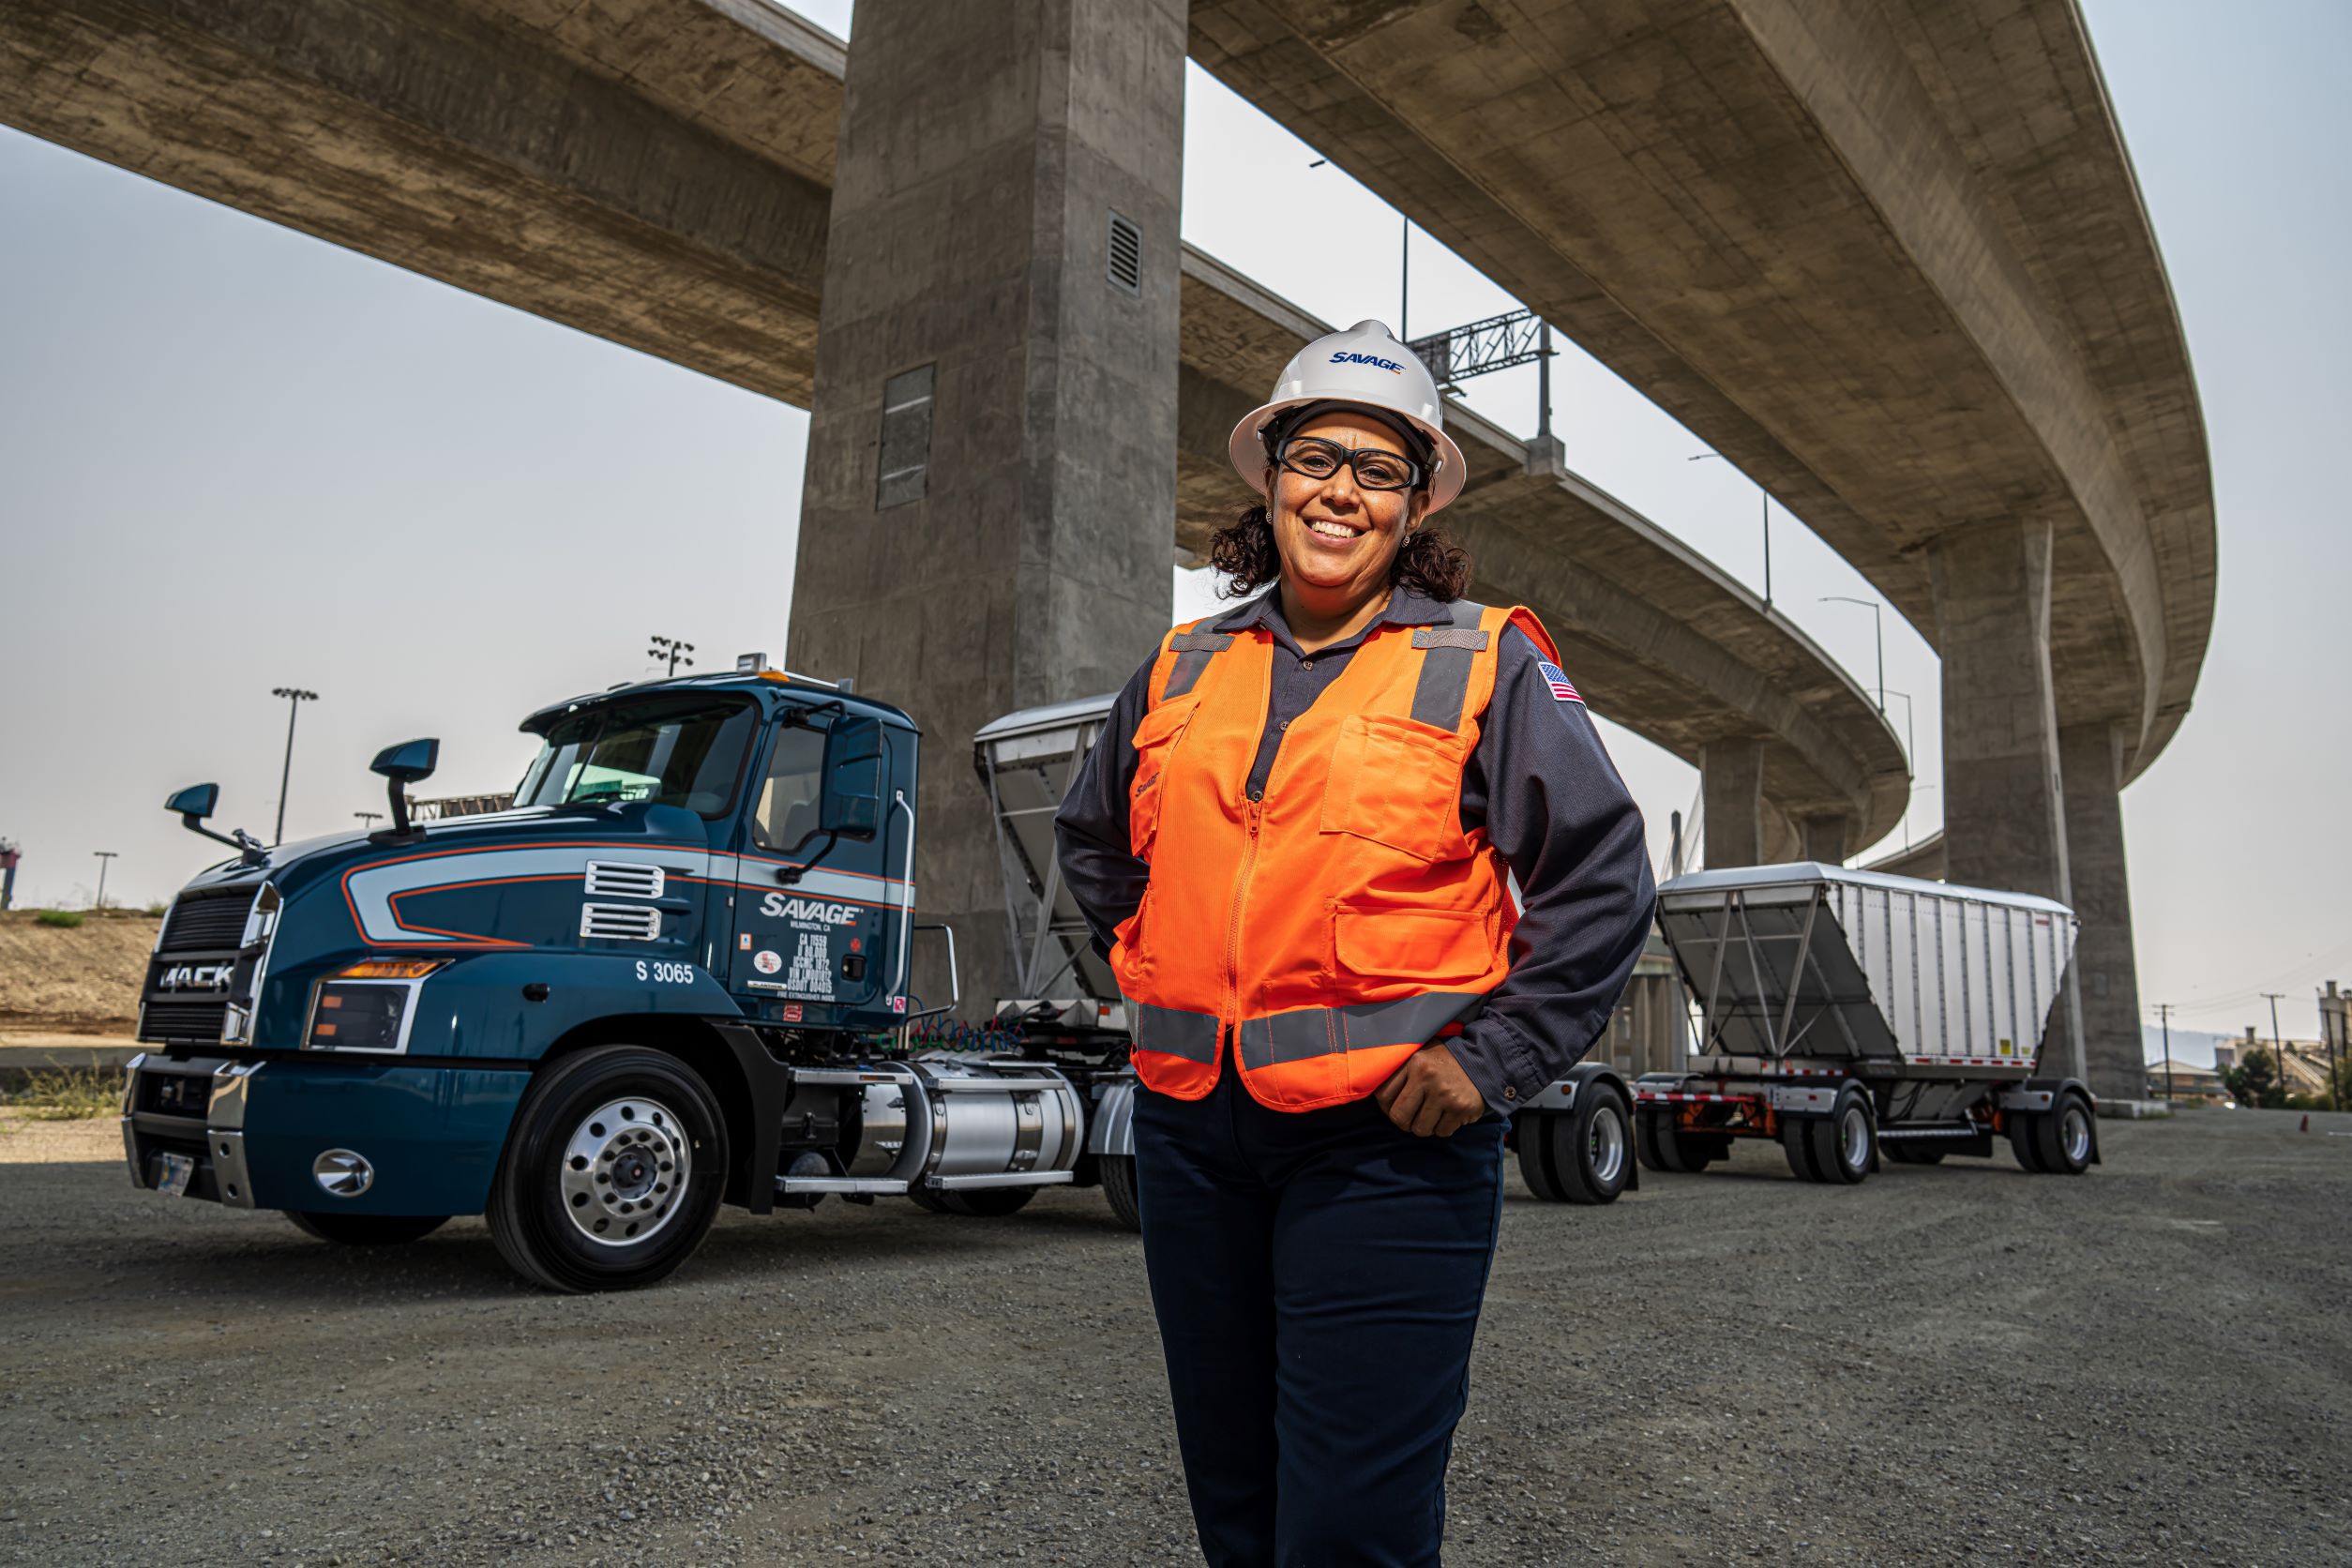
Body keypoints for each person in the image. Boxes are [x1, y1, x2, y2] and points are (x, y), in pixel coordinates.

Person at [1054, 320, 1655, 1566]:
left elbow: (1600, 881)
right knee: (1237, 1499)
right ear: (1269, 477)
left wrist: (1487, 1062)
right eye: (1317, 457)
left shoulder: (1484, 659)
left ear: (1416, 501)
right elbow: (1095, 846)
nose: (1341, 491)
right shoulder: (1179, 666)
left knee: (1350, 1526)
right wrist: (1157, 971)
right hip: (1191, 1136)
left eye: (1378, 470)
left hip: (1387, 1147)